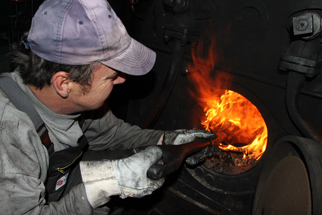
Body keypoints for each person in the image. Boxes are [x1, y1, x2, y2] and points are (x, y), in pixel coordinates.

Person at [0, 0, 217, 214]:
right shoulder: (11, 134)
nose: (122, 79)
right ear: (64, 83)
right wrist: (101, 189)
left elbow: (112, 133)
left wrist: (168, 140)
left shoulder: (80, 103)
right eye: (112, 76)